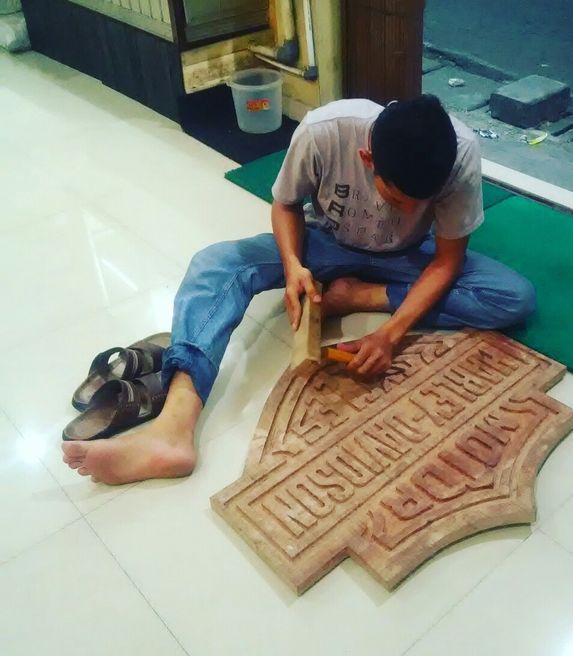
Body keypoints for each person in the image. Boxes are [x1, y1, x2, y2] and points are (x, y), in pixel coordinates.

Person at [62, 95, 535, 485]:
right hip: (323, 243)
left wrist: (389, 330)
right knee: (216, 265)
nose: (406, 208)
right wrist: (292, 267)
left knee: (512, 296)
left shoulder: (459, 155)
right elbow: (285, 205)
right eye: (395, 199)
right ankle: (173, 425)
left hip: (410, 258)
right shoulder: (324, 131)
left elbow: (448, 260)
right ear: (367, 159)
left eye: (419, 204)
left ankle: (356, 293)